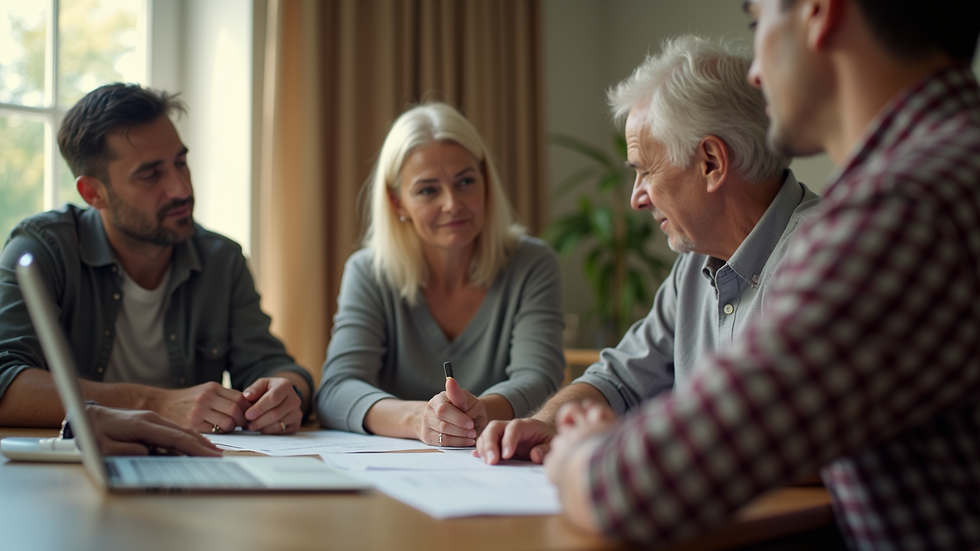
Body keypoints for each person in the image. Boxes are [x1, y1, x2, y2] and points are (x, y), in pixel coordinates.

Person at [544, 1, 980, 549]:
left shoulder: (900, 209)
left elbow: (636, 488)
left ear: (820, 13)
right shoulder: (948, 171)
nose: (755, 71)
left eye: (759, 22)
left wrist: (582, 452)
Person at [476, 35, 820, 465]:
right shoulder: (694, 263)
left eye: (645, 171)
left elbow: (800, 442)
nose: (637, 198)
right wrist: (548, 422)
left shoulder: (822, 254)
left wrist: (616, 449)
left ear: (711, 162)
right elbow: (619, 379)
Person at [0, 83, 313, 435]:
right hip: (66, 473)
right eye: (150, 175)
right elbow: (5, 383)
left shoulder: (221, 259)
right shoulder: (41, 250)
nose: (182, 189)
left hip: (191, 470)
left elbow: (271, 364)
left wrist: (287, 391)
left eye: (181, 162)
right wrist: (154, 403)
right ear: (94, 192)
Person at [316, 103, 565, 447]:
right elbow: (337, 389)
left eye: (465, 181)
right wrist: (420, 419)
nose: (452, 203)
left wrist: (481, 412)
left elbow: (540, 380)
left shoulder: (532, 263)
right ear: (397, 202)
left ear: (486, 183)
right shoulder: (368, 272)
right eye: (428, 190)